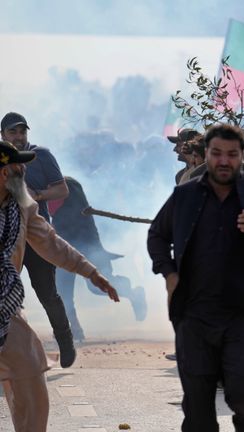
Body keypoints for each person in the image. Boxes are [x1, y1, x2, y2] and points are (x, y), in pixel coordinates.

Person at [147, 124, 244, 431]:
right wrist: (169, 273)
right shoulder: (185, 195)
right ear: (206, 155)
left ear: (243, 156)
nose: (223, 161)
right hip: (196, 311)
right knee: (199, 407)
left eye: (232, 154)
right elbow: (157, 235)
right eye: (216, 153)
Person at [0, 140, 119, 431]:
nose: (24, 170)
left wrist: (90, 271)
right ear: (4, 173)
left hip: (4, 306)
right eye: (18, 166)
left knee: (28, 367)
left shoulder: (22, 206)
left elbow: (50, 243)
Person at [1, 112, 78, 367]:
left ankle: (65, 340)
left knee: (47, 293)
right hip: (7, 239)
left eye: (22, 132)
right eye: (13, 132)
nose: (19, 137)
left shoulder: (41, 155)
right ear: (3, 135)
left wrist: (38, 194)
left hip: (36, 236)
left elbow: (62, 189)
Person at [50, 177, 147, 341]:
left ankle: (133, 294)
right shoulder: (48, 188)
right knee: (62, 291)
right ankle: (74, 329)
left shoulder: (67, 185)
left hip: (86, 244)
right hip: (62, 246)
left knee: (98, 286)